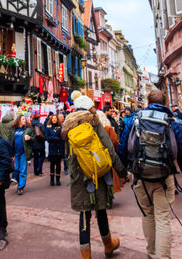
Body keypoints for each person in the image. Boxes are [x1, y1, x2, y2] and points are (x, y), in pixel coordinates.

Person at [118, 89, 182, 259]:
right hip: (164, 177)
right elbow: (181, 149)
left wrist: (124, 172)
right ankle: (163, 256)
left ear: (147, 102)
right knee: (162, 218)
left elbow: (122, 148)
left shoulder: (134, 121)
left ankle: (152, 253)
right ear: (165, 103)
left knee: (147, 215)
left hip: (140, 176)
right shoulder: (172, 123)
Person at [62, 91, 126, 259]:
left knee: (84, 215)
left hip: (79, 177)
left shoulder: (68, 126)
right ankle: (108, 245)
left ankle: (86, 256)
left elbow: (68, 155)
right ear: (90, 108)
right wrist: (122, 171)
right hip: (98, 173)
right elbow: (109, 150)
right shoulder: (95, 122)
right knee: (101, 209)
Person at [9, 115, 35, 195]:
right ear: (19, 120)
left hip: (24, 152)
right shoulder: (13, 130)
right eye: (23, 119)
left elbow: (34, 139)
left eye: (25, 119)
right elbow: (10, 140)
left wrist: (30, 138)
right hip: (16, 152)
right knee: (16, 168)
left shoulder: (28, 129)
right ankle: (16, 179)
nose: (25, 120)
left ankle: (20, 187)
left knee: (23, 170)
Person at [46, 114, 64, 186]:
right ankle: (52, 179)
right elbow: (46, 137)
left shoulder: (60, 127)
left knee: (58, 165)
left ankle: (58, 180)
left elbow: (63, 137)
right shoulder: (48, 128)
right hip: (52, 148)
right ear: (51, 119)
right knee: (52, 165)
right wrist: (53, 138)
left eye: (55, 118)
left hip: (59, 149)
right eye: (53, 118)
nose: (54, 120)